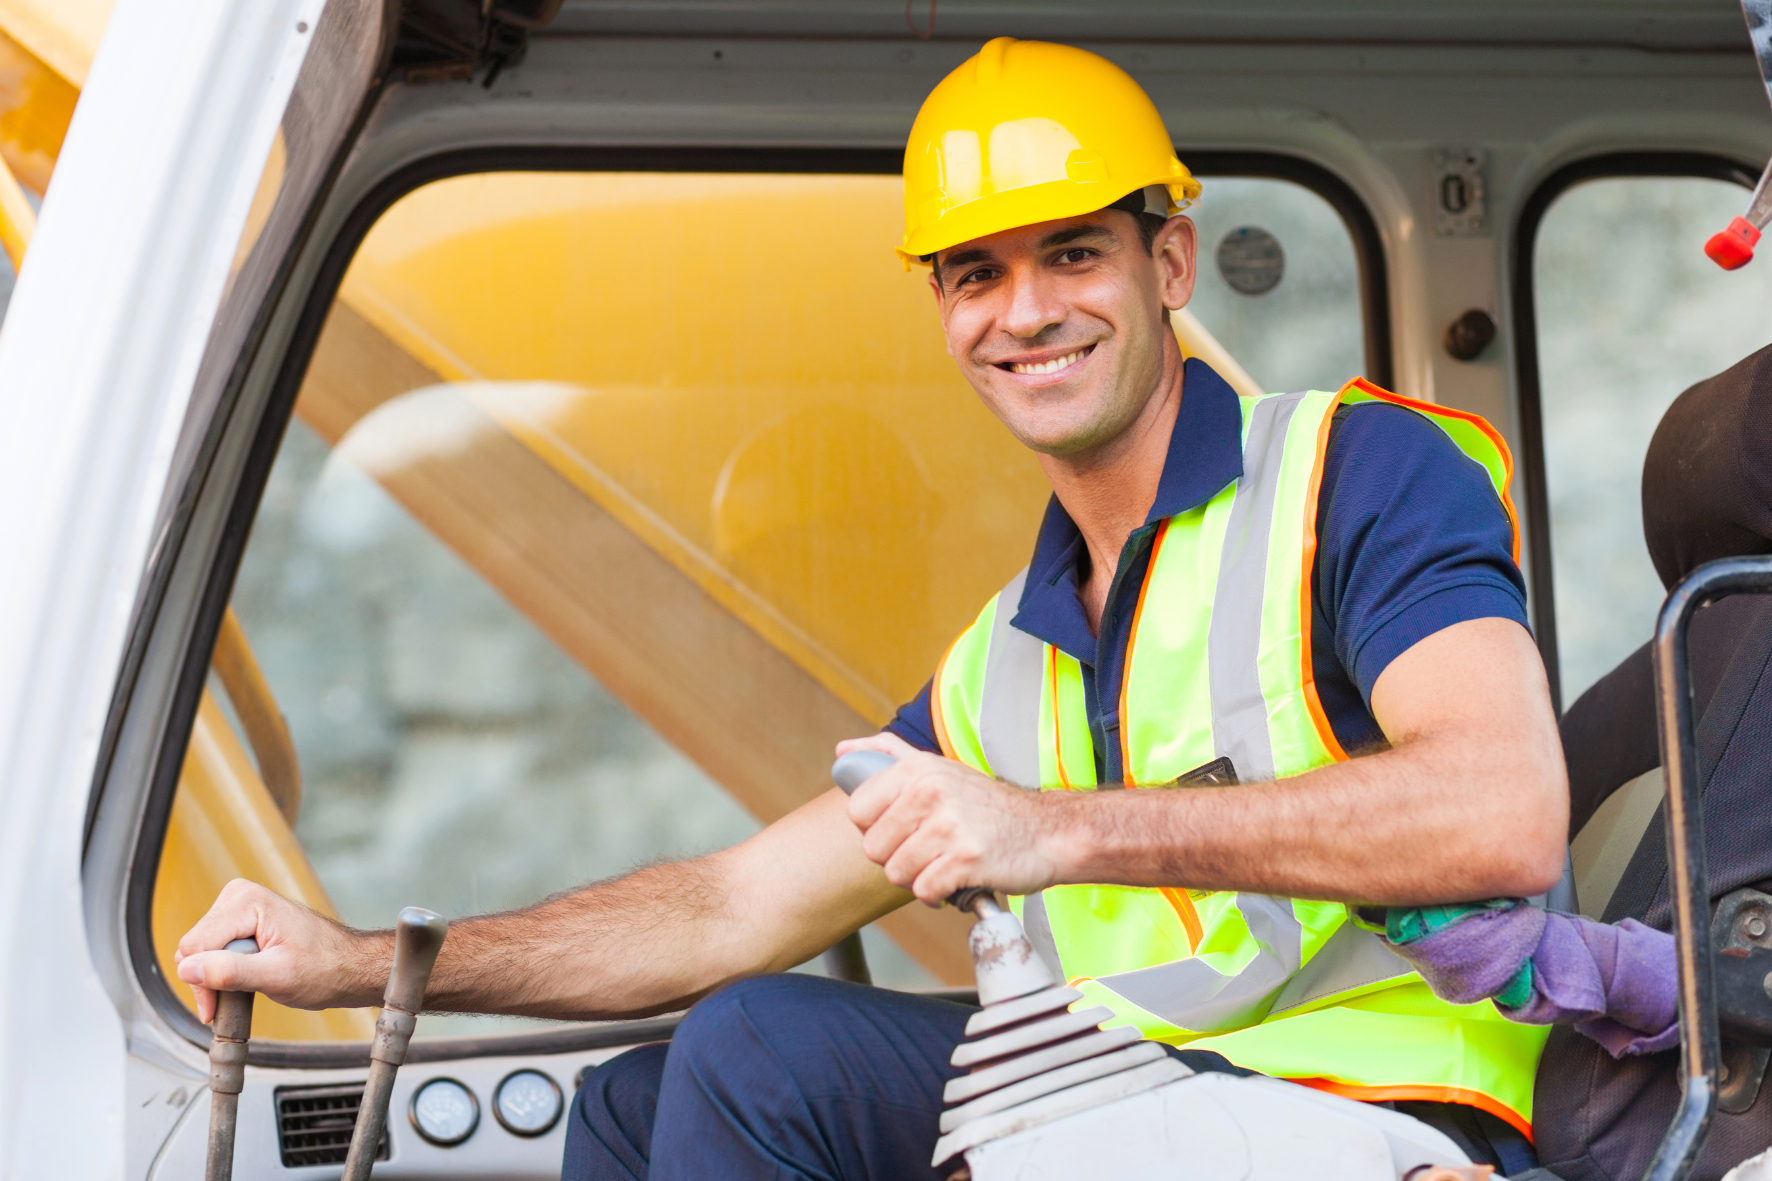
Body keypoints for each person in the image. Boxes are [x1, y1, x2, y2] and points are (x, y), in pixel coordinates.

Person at [174, 37, 1568, 1179]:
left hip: (1379, 1107)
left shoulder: (1354, 474)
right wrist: (360, 962)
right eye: (977, 273)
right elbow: (728, 907)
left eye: (1073, 253)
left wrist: (1052, 829)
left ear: (1170, 265)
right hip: (1138, 1101)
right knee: (631, 1107)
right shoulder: (1005, 660)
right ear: (944, 313)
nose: (1024, 311)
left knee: (765, 1052)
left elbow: (1498, 807)